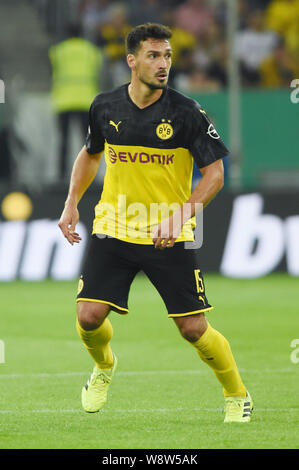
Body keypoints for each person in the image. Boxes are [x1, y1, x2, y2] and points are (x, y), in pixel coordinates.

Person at [58, 23, 253, 423]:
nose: (163, 64)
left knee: (193, 328)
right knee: (88, 316)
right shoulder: (105, 107)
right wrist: (71, 203)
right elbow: (90, 153)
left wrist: (180, 215)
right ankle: (104, 366)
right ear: (132, 61)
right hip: (114, 225)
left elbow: (215, 173)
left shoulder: (186, 113)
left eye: (167, 56)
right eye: (153, 56)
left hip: (170, 233)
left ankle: (237, 394)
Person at [49, 23, 102, 180]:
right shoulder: (91, 51)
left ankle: (62, 174)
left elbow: (52, 71)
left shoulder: (58, 51)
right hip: (85, 100)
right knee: (86, 141)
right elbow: (98, 73)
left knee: (63, 140)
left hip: (64, 101)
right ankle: (89, 173)